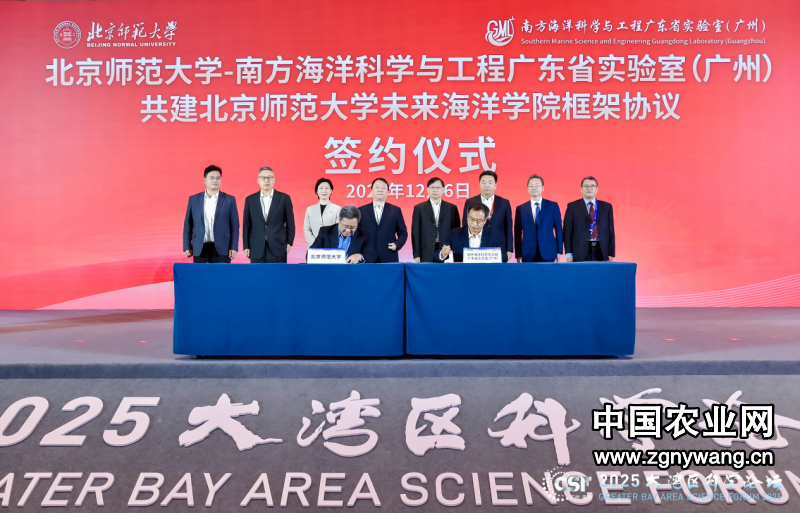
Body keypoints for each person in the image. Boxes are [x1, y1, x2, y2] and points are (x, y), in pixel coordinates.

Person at [182, 165, 239, 263]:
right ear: (205, 180)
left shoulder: (229, 200)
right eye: (211, 178)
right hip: (200, 248)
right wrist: (187, 246)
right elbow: (188, 224)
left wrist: (234, 247)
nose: (215, 180)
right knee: (200, 273)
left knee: (221, 273)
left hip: (223, 248)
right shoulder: (194, 199)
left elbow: (235, 226)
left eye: (218, 178)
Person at [243, 166, 296, 263]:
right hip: (256, 248)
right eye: (263, 177)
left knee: (277, 273)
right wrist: (246, 246)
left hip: (278, 247)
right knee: (258, 273)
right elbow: (247, 225)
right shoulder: (250, 200)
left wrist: (289, 243)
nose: (266, 180)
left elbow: (290, 223)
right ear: (258, 180)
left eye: (269, 177)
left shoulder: (284, 198)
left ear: (274, 180)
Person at [462, 170, 513, 261]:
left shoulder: (504, 203)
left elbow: (508, 227)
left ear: (495, 185)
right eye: (483, 182)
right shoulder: (470, 202)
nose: (487, 185)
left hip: (498, 244)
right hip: (476, 244)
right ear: (479, 184)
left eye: (490, 182)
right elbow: (466, 224)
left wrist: (509, 250)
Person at [563, 176, 615, 262]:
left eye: (592, 186)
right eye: (586, 186)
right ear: (581, 189)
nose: (589, 188)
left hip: (601, 250)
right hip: (579, 250)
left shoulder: (607, 207)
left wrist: (611, 253)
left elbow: (611, 231)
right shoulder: (572, 207)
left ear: (597, 189)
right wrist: (569, 254)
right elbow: (567, 231)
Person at [514, 174, 563, 263]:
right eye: (531, 186)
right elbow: (517, 233)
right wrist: (518, 253)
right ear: (527, 188)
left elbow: (558, 230)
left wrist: (559, 251)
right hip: (527, 253)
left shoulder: (552, 206)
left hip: (549, 251)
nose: (534, 188)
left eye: (537, 185)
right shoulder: (521, 208)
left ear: (543, 188)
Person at [358, 178, 408, 263]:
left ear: (388, 191)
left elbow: (403, 232)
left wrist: (397, 244)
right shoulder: (361, 210)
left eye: (383, 188)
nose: (380, 190)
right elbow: (356, 233)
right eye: (377, 187)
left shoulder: (395, 210)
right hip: (367, 255)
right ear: (372, 190)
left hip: (389, 254)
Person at [411, 177, 460, 262]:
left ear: (443, 189)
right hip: (426, 250)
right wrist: (417, 254)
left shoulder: (452, 208)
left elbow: (456, 232)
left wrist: (454, 250)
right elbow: (415, 233)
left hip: (446, 250)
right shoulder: (419, 208)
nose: (435, 190)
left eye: (438, 187)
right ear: (427, 189)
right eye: (432, 187)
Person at [437, 204, 508, 262]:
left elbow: (504, 257)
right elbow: (437, 254)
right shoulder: (455, 233)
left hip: (485, 272)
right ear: (467, 217)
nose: (474, 224)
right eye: (472, 219)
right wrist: (443, 253)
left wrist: (487, 255)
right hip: (462, 272)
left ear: (485, 220)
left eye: (479, 220)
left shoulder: (495, 235)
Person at [309, 205, 375, 263]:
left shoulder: (364, 234)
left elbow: (371, 256)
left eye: (353, 227)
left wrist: (359, 256)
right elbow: (310, 255)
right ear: (339, 220)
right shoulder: (325, 232)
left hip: (352, 271)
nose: (348, 230)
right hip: (329, 270)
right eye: (345, 226)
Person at [303, 178, 341, 247]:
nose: (324, 190)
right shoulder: (310, 209)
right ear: (317, 191)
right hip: (313, 248)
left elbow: (338, 229)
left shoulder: (337, 209)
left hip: (331, 247)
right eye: (321, 188)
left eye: (327, 188)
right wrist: (316, 244)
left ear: (331, 191)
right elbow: (307, 229)